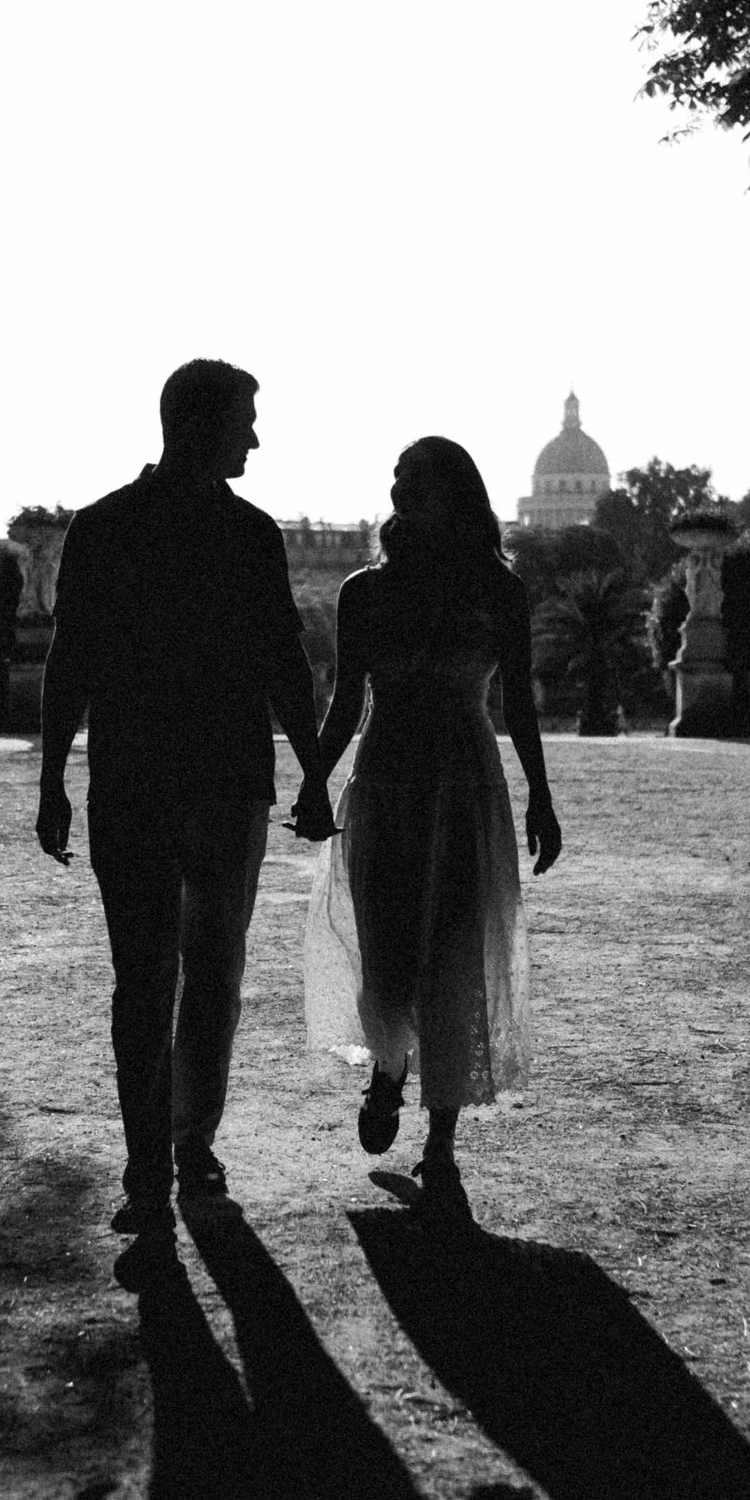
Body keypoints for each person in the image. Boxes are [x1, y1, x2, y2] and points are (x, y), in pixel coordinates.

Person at [37, 358, 337, 1246]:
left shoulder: (102, 528)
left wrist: (53, 777)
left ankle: (149, 1168)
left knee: (147, 982)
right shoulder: (249, 535)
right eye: (246, 419)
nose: (255, 435)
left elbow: (70, 663)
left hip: (131, 781)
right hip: (224, 781)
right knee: (210, 977)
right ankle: (187, 1145)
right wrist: (315, 769)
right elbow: (285, 661)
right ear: (204, 424)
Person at [302, 436, 560, 1222]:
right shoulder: (363, 592)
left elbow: (516, 704)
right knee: (386, 950)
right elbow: (345, 703)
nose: (396, 489)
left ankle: (440, 1145)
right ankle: (388, 1068)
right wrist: (314, 781)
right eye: (396, 479)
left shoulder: (498, 591)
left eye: (412, 479)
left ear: (451, 492)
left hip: (460, 783)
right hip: (388, 782)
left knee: (453, 957)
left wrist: (542, 796)